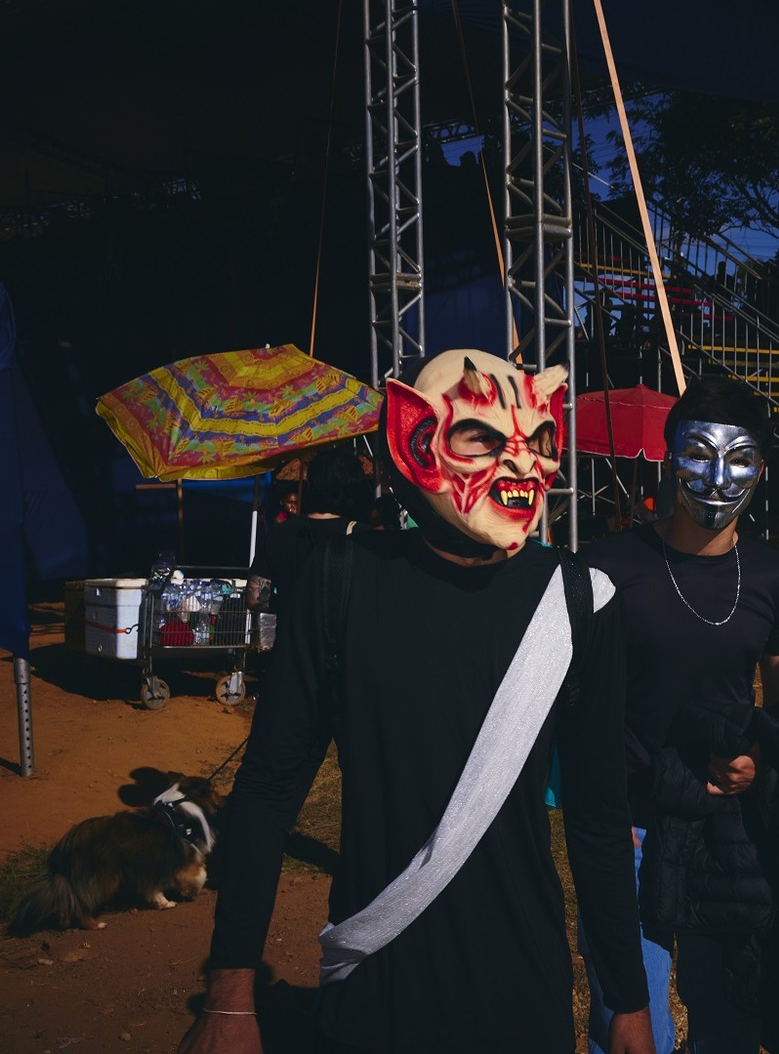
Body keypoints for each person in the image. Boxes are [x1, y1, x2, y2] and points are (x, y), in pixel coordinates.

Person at [178, 350, 654, 1054]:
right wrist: (230, 993)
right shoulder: (340, 582)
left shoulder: (580, 598)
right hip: (377, 987)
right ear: (413, 437)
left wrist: (628, 1000)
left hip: (522, 993)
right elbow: (271, 788)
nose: (523, 465)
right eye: (485, 438)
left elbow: (599, 817)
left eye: (539, 440)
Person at [579, 377, 779, 1054]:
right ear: (668, 455)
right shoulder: (605, 568)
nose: (717, 476)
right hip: (631, 826)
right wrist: (601, 820)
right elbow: (579, 710)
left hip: (727, 833)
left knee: (730, 1023)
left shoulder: (776, 579)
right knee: (630, 1029)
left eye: (739, 458)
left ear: (762, 469)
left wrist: (760, 757)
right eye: (699, 453)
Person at [246, 445, 369, 616]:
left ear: (311, 484)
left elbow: (255, 598)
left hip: (291, 639)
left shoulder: (280, 534)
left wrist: (291, 605)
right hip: (345, 640)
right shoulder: (365, 538)